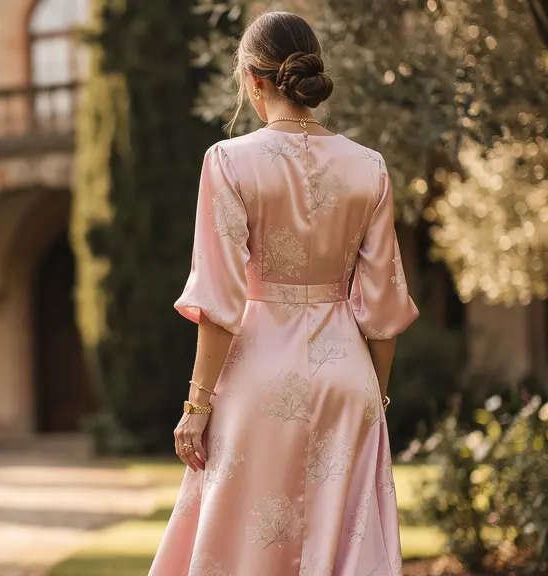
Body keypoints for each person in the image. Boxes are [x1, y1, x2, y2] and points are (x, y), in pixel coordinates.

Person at [148, 11, 419, 576]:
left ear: (253, 81)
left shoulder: (228, 161)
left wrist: (196, 406)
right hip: (347, 379)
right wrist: (376, 397)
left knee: (248, 547)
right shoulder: (369, 167)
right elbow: (383, 308)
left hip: (259, 377)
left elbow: (219, 301)